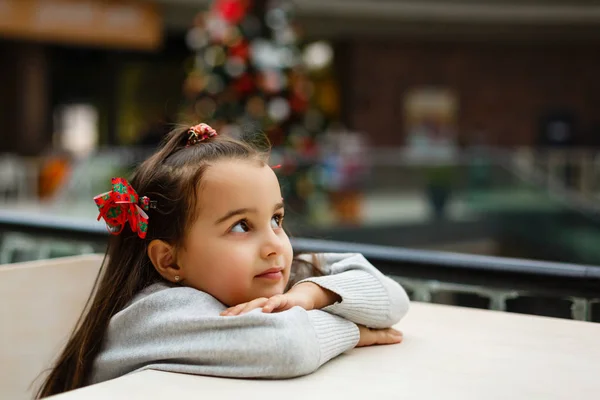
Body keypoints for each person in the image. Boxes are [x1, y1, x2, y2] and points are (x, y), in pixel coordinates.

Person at [37, 123, 410, 398]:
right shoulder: (157, 312)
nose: (274, 244)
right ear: (170, 261)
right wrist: (355, 332)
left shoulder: (274, 279)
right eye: (241, 226)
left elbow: (393, 296)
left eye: (276, 219)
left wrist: (311, 296)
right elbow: (288, 345)